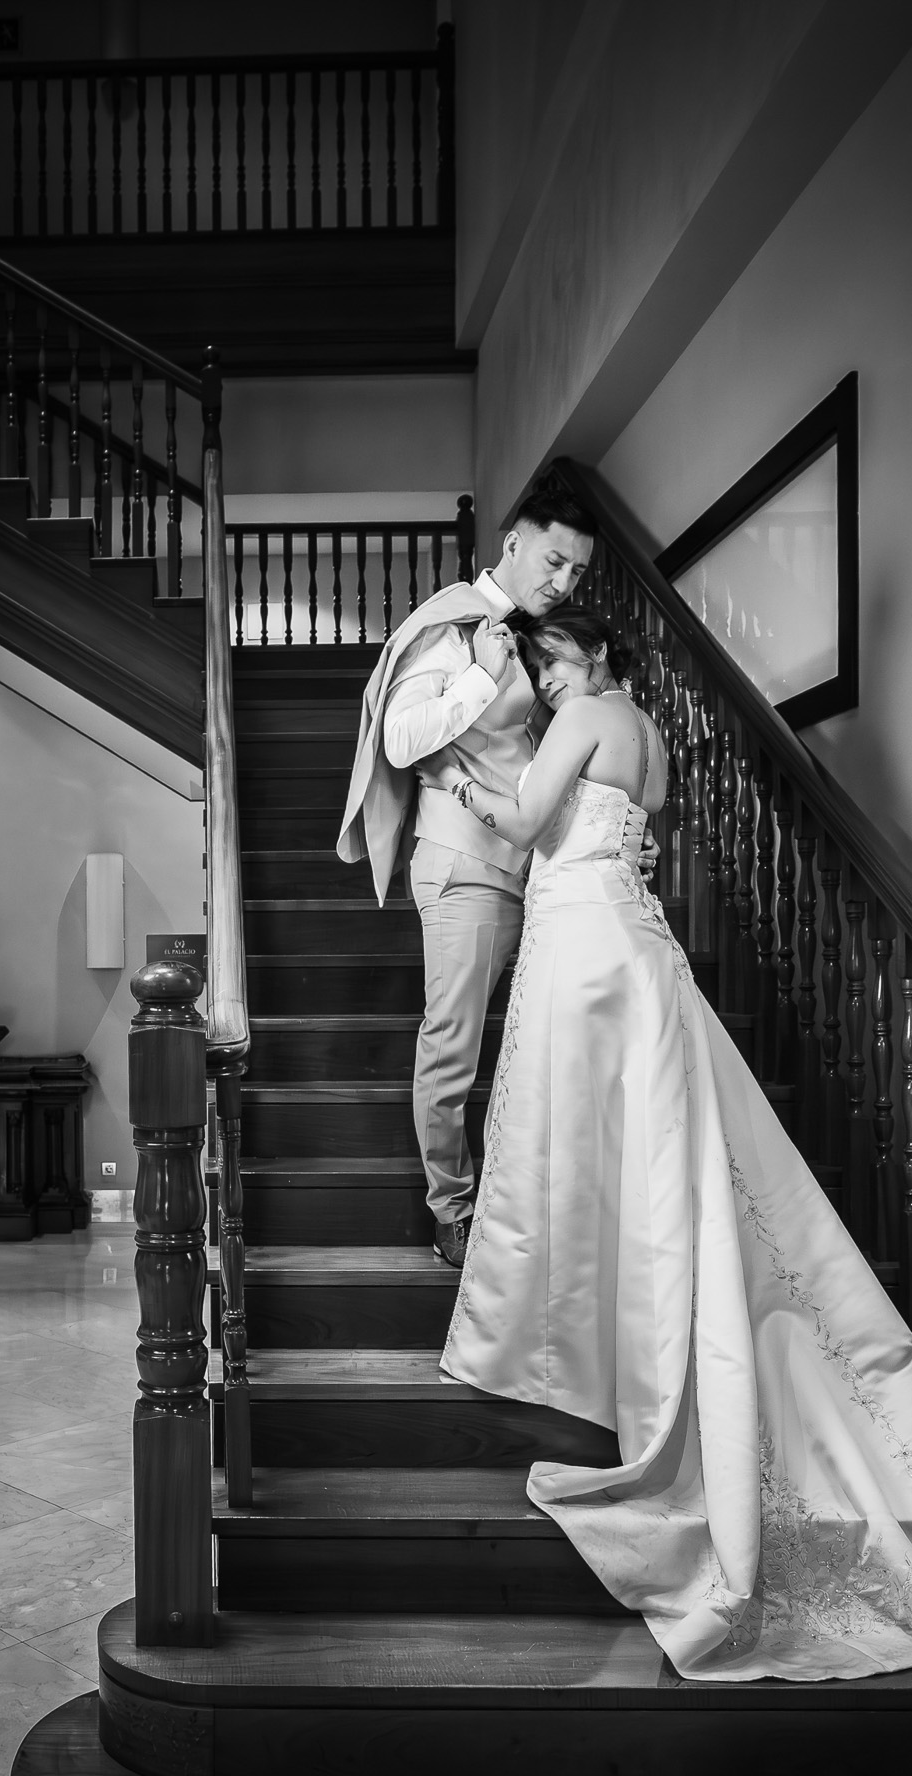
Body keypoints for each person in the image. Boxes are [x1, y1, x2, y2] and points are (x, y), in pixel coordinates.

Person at [436, 606, 912, 1682]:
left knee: (582, 1147)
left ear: (596, 655)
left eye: (553, 655)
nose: (545, 671)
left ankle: (577, 1325)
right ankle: (606, 1314)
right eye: (538, 661)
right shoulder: (650, 735)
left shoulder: (584, 714)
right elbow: (641, 818)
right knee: (658, 1156)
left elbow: (531, 819)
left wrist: (465, 778)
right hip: (631, 942)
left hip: (587, 944)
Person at [337, 474, 596, 1269]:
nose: (561, 582)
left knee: (538, 1043)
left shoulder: (540, 638)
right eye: (553, 561)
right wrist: (481, 674)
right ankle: (451, 1207)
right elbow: (401, 738)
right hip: (467, 863)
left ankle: (533, 1195)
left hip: (537, 866)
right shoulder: (453, 627)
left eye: (577, 573)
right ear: (513, 542)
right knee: (453, 1047)